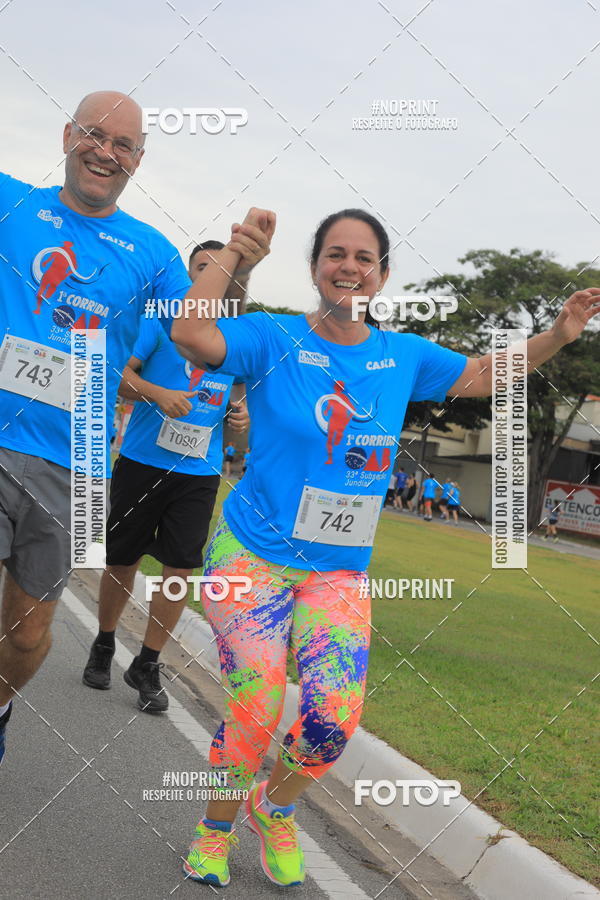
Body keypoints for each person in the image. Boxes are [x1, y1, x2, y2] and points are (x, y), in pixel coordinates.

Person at [167, 204, 598, 887]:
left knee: (332, 722)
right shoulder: (272, 337)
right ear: (315, 268)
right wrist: (232, 258)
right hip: (250, 556)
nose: (349, 266)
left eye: (364, 257)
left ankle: (272, 809)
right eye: (336, 254)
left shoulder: (402, 357)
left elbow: (487, 374)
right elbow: (189, 333)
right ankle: (213, 831)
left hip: (335, 572)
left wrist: (557, 335)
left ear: (383, 275)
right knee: (255, 707)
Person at [0, 90, 196, 763]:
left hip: (78, 466)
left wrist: (243, 266)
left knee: (27, 638)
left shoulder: (154, 253)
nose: (103, 151)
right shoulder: (12, 204)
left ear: (139, 160)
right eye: (93, 134)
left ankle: (0, 708)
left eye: (122, 144)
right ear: (66, 135)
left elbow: (195, 332)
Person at [81, 241, 255, 713]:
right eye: (202, 270)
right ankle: (104, 641)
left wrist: (238, 419)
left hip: (199, 472)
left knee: (180, 569)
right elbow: (113, 373)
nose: (208, 281)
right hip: (142, 463)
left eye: (220, 273)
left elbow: (235, 401)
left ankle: (149, 662)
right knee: (123, 560)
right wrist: (156, 392)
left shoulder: (234, 340)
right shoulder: (157, 324)